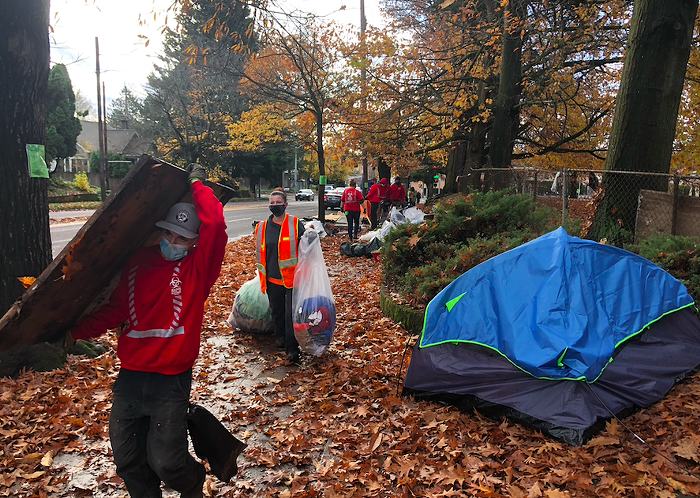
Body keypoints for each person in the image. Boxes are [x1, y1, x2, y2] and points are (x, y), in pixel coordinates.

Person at [66, 163, 228, 498]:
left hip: (171, 377)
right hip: (131, 375)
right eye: (169, 233)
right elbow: (117, 308)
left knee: (166, 462)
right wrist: (76, 333)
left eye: (182, 237)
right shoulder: (139, 260)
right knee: (127, 460)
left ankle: (194, 481)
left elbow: (215, 224)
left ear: (194, 242)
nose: (173, 241)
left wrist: (197, 183)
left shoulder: (198, 268)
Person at [255, 188, 305, 364]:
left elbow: (305, 249)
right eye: (272, 203)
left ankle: (292, 348)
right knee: (277, 311)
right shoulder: (261, 227)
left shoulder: (296, 224)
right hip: (271, 278)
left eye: (278, 203)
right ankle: (280, 336)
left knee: (291, 314)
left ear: (286, 204)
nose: (275, 206)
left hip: (292, 278)